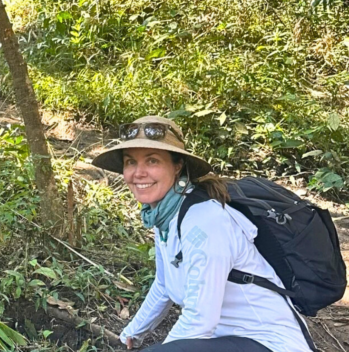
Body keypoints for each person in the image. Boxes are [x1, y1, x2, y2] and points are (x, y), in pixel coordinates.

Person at [92, 116, 314, 352]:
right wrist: (132, 333)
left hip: (268, 343)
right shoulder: (165, 216)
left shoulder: (205, 220)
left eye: (152, 160)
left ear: (177, 166)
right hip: (226, 340)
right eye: (130, 162)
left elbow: (200, 321)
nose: (138, 173)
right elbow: (164, 285)